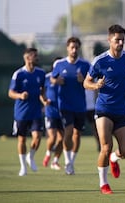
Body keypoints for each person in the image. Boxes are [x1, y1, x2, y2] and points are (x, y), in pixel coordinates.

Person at [83, 24, 125, 194]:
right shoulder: (100, 61)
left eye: (122, 39)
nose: (120, 42)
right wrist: (95, 85)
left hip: (122, 110)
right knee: (106, 147)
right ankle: (103, 184)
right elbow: (86, 82)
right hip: (104, 109)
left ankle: (115, 158)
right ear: (109, 40)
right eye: (117, 40)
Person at [51, 37, 90, 175]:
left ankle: (72, 162)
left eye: (76, 47)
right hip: (65, 105)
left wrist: (83, 80)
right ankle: (67, 161)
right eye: (72, 47)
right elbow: (52, 78)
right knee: (68, 132)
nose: (74, 50)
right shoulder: (60, 64)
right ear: (67, 48)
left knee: (77, 134)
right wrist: (57, 81)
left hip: (80, 105)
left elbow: (91, 82)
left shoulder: (85, 65)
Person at [8, 48, 48, 176]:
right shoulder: (18, 74)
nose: (37, 58)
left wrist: (44, 99)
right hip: (21, 113)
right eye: (35, 56)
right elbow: (10, 93)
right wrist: (20, 95)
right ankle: (23, 167)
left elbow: (42, 90)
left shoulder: (41, 73)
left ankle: (30, 157)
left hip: (36, 111)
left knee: (37, 138)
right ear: (27, 58)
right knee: (22, 140)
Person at [41, 57, 64, 170]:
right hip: (50, 111)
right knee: (53, 137)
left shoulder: (65, 77)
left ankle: (55, 161)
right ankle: (48, 153)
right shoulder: (46, 77)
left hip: (63, 111)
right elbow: (41, 93)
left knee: (62, 139)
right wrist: (44, 101)